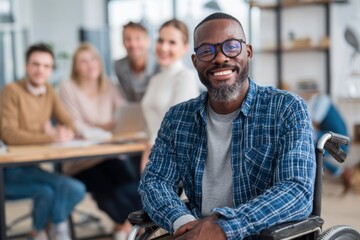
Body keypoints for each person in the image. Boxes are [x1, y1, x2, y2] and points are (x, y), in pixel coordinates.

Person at [139, 12, 316, 240]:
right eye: (206, 51)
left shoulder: (286, 108)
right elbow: (155, 181)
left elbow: (296, 191)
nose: (220, 58)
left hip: (260, 234)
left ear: (248, 52)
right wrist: (183, 222)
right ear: (195, 61)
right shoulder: (177, 118)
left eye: (231, 47)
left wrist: (225, 227)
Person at [0, 43, 86, 240]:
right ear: (26, 66)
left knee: (52, 190)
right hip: (9, 170)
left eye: (46, 66)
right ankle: (57, 227)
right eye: (36, 64)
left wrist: (66, 131)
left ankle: (42, 230)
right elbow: (8, 134)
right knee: (70, 188)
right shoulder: (11, 91)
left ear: (51, 69)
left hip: (31, 167)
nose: (41, 70)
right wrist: (50, 136)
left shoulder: (48, 91)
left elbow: (69, 121)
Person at [58, 43, 142, 240]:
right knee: (107, 193)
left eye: (93, 59)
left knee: (130, 186)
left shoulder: (108, 85)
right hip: (81, 161)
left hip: (108, 154)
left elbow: (123, 116)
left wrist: (99, 128)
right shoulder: (68, 88)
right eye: (83, 61)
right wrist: (105, 127)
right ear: (76, 66)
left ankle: (126, 228)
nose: (90, 65)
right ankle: (125, 228)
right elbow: (76, 126)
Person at [140, 19, 199, 170]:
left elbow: (178, 128)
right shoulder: (155, 79)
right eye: (160, 40)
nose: (164, 47)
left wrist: (151, 152)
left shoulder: (186, 77)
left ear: (185, 48)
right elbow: (152, 123)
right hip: (151, 156)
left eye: (172, 42)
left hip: (173, 163)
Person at [297, 81, 353, 193]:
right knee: (311, 152)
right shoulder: (315, 101)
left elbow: (312, 124)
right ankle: (341, 172)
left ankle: (342, 172)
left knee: (311, 152)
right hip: (328, 137)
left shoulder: (322, 101)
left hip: (338, 140)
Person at [114, 21, 158, 102]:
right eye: (128, 39)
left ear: (148, 41)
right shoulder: (119, 66)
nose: (133, 44)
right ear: (123, 42)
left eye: (138, 38)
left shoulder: (159, 65)